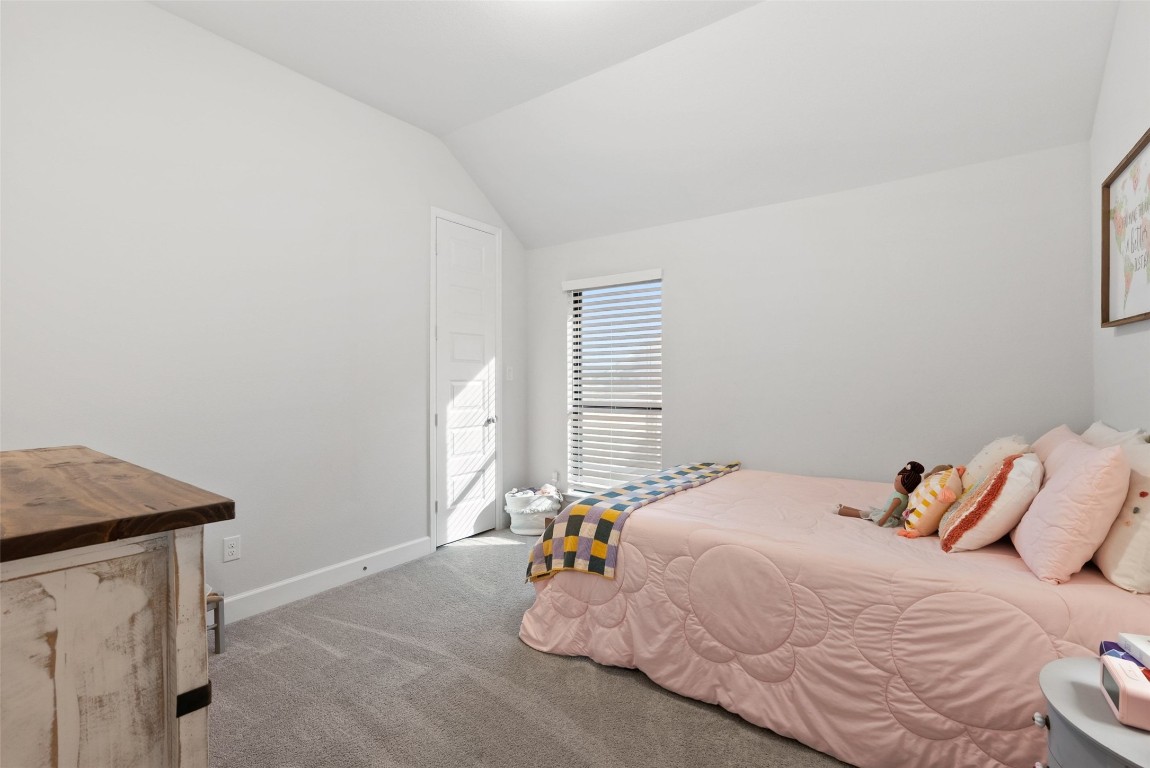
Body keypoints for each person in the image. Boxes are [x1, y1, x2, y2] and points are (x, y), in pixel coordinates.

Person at [836, 461, 925, 527]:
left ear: (907, 485)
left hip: (888, 518)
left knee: (863, 514)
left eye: (896, 481)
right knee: (865, 512)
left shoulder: (898, 499)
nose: (895, 482)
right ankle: (843, 507)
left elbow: (890, 511)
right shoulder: (902, 496)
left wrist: (882, 521)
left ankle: (841, 511)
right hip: (883, 513)